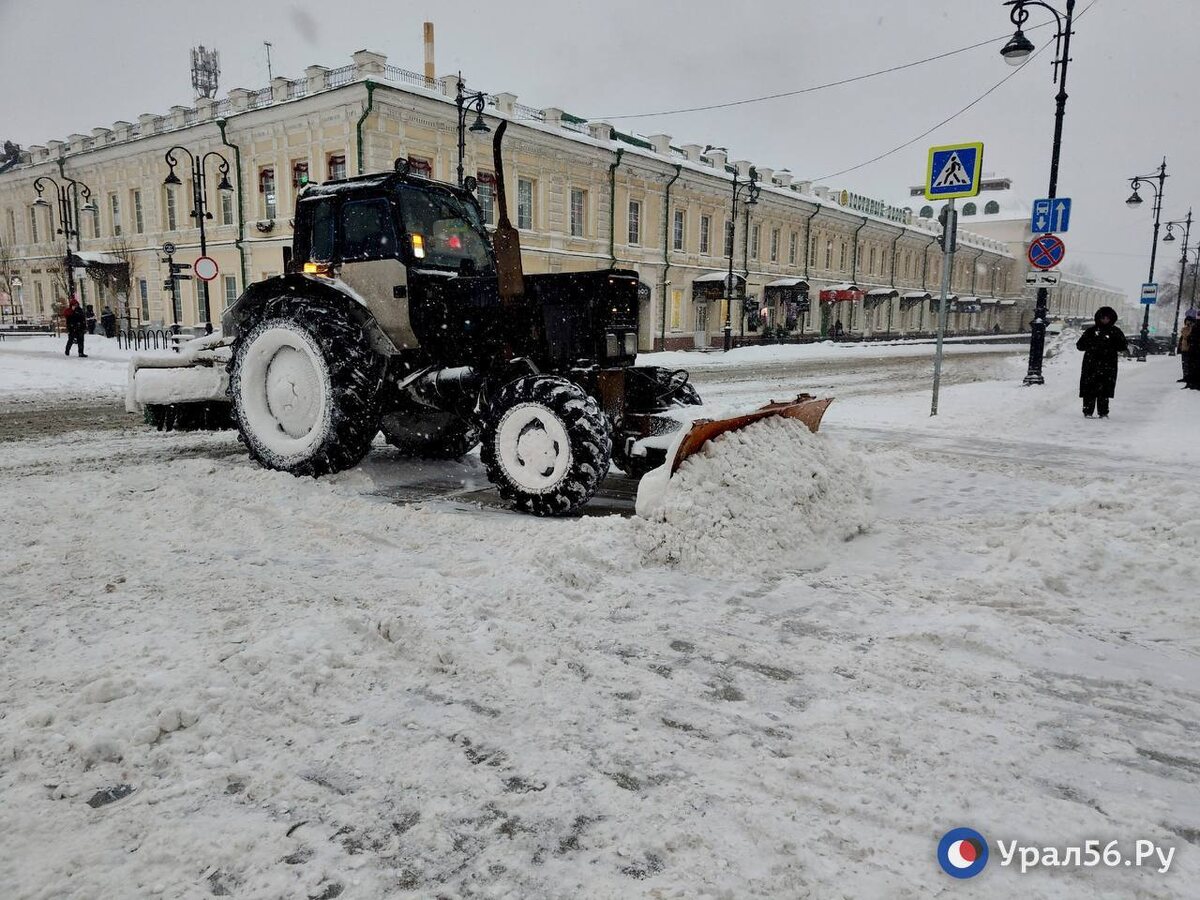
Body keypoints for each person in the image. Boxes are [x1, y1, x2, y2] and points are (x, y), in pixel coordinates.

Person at [1076, 306, 1127, 418]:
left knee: (1104, 389)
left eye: (1107, 318)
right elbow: (1080, 346)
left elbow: (1123, 346)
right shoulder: (1091, 331)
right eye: (1103, 318)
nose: (1105, 320)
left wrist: (1111, 345)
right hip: (1091, 364)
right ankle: (1088, 411)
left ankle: (1103, 411)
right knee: (1089, 388)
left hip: (1108, 365)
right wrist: (1092, 345)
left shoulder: (1115, 332)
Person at [1178, 309, 1196, 383]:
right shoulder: (1185, 328)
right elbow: (1182, 339)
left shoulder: (1191, 329)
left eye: (1188, 321)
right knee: (1184, 363)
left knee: (1188, 363)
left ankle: (1188, 377)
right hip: (1184, 348)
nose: (1187, 323)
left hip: (1189, 348)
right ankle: (1185, 376)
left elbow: (1186, 336)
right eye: (1186, 321)